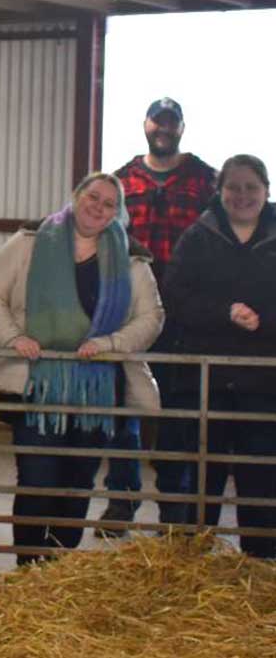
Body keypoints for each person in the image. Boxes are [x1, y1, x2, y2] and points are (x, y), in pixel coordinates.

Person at [0, 172, 162, 565]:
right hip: (36, 382)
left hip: (97, 388)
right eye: (92, 197)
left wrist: (110, 344)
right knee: (37, 479)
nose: (98, 207)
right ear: (76, 197)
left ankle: (59, 567)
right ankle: (29, 565)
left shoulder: (131, 258)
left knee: (78, 482)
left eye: (109, 203)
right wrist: (12, 337)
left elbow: (151, 317)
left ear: (118, 213)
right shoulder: (30, 241)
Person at [100, 97, 216, 532]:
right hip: (129, 312)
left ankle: (175, 508)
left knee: (177, 412)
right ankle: (121, 499)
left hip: (186, 315)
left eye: (171, 122)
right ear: (145, 125)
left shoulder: (206, 180)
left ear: (182, 127)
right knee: (124, 408)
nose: (163, 129)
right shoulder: (123, 178)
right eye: (157, 121)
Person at [157, 154, 276, 558]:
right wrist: (224, 312)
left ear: (267, 191)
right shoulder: (198, 235)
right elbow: (174, 295)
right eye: (234, 187)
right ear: (219, 191)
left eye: (251, 187)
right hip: (203, 379)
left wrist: (265, 321)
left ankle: (260, 569)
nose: (242, 195)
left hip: (264, 384)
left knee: (261, 478)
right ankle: (189, 564)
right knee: (198, 476)